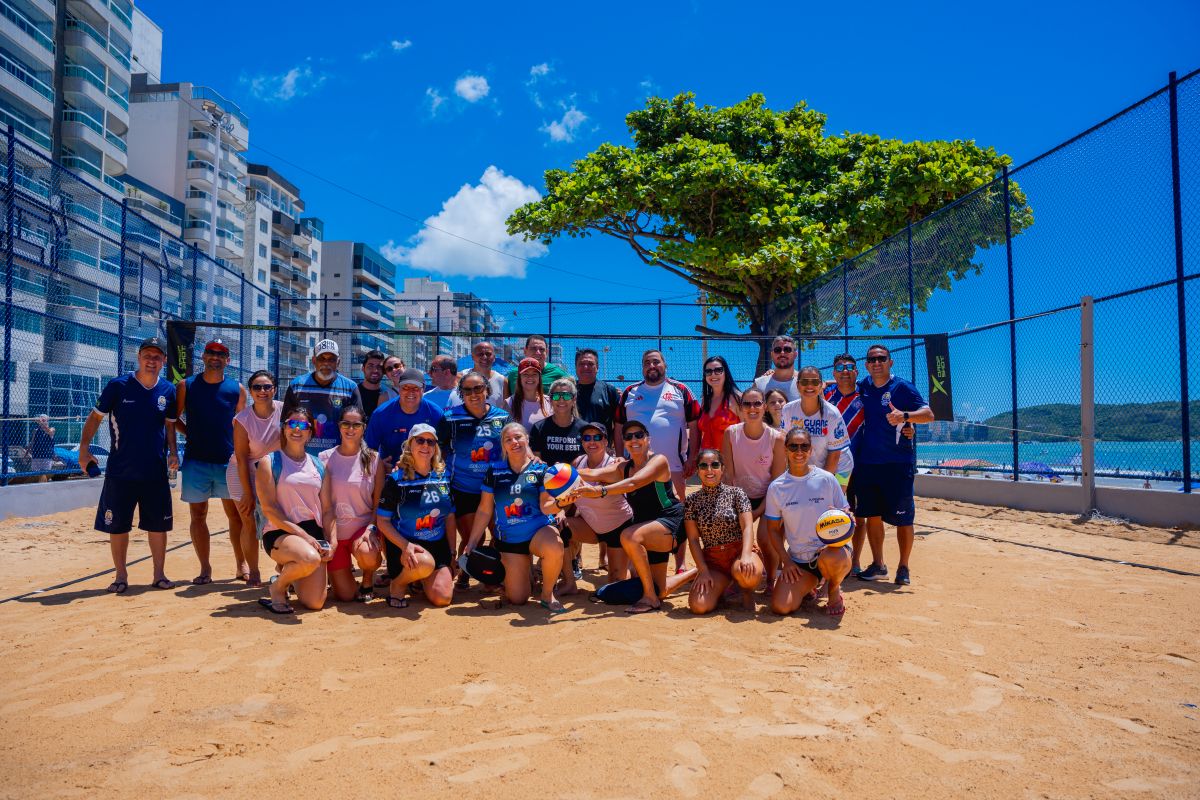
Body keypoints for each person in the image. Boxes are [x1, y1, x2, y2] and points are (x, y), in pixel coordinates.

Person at [78, 337, 178, 594]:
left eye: (157, 357)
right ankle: (120, 575)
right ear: (139, 357)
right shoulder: (118, 386)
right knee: (118, 525)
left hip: (154, 472)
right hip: (120, 471)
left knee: (158, 526)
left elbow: (169, 426)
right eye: (147, 355)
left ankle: (159, 574)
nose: (152, 360)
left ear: (164, 360)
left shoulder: (168, 390)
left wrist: (173, 453)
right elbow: (95, 418)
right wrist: (84, 449)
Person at [576, 418, 687, 614]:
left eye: (639, 435)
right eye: (628, 436)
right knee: (661, 589)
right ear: (624, 442)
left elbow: (634, 483)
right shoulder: (624, 467)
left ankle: (649, 599)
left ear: (648, 439)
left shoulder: (658, 460)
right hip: (647, 528)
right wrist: (557, 471)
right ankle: (697, 572)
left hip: (670, 523)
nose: (634, 439)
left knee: (628, 536)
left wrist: (601, 491)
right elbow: (592, 473)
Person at [463, 423, 567, 614]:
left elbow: (546, 507)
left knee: (554, 546)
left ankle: (547, 594)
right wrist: (472, 541)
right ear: (503, 446)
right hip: (510, 540)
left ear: (527, 439)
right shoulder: (494, 471)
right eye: (508, 439)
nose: (514, 442)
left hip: (538, 531)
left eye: (518, 437)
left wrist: (560, 503)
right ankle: (524, 570)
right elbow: (485, 510)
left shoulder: (540, 469)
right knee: (518, 599)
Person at [854, 344, 933, 586]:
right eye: (872, 359)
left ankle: (903, 567)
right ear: (866, 365)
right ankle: (879, 565)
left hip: (898, 464)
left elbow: (928, 414)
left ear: (890, 362)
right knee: (872, 517)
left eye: (881, 358)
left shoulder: (903, 387)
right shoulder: (863, 387)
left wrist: (905, 417)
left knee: (904, 519)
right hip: (868, 463)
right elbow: (837, 383)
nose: (877, 363)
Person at [614, 349, 700, 572]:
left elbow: (694, 425)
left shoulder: (681, 390)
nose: (651, 366)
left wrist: (692, 457)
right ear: (642, 367)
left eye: (656, 361)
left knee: (677, 513)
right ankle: (638, 560)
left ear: (665, 365)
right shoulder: (630, 392)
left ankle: (680, 565)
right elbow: (618, 426)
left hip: (673, 467)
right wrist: (619, 455)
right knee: (637, 513)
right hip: (637, 469)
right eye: (646, 363)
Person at [175, 338, 246, 586]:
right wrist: (189, 434)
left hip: (228, 462)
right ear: (203, 357)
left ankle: (241, 564)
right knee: (198, 515)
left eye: (221, 353)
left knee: (235, 516)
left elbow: (242, 426)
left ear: (228, 360)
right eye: (211, 352)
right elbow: (173, 419)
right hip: (197, 461)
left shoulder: (237, 389)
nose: (215, 357)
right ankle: (205, 569)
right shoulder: (187, 385)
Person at [764, 427, 853, 617]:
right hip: (800, 560)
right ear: (785, 450)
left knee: (832, 557)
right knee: (781, 607)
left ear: (811, 450)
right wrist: (786, 562)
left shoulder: (827, 479)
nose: (799, 452)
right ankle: (811, 584)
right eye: (793, 447)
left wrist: (847, 519)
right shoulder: (777, 488)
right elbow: (772, 530)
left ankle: (833, 588)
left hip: (831, 551)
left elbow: (845, 514)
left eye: (804, 447)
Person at [437, 371, 512, 584]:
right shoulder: (450, 417)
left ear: (487, 390)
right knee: (474, 538)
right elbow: (438, 450)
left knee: (500, 537)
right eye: (467, 390)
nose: (473, 393)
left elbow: (514, 447)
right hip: (463, 488)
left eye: (478, 388)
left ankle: (493, 574)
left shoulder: (502, 417)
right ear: (461, 394)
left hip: (496, 488)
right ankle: (464, 573)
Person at [255, 406, 332, 613]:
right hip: (281, 531)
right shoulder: (269, 462)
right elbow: (270, 510)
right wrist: (303, 537)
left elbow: (327, 510)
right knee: (309, 558)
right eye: (292, 424)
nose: (297, 430)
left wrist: (332, 541)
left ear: (310, 432)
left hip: (312, 534)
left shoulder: (318, 465)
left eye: (303, 425)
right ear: (284, 428)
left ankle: (288, 569)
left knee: (315, 603)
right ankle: (277, 588)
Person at [375, 424, 457, 609]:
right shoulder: (396, 480)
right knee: (424, 562)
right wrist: (406, 546)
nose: (425, 445)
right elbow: (383, 521)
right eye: (420, 440)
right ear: (409, 445)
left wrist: (452, 552)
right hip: (405, 547)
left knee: (443, 598)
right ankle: (398, 583)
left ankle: (418, 579)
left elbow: (450, 517)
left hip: (437, 545)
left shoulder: (444, 477)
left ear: (436, 447)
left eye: (430, 442)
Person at [684, 449, 763, 613]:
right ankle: (721, 588)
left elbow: (748, 526)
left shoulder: (737, 493)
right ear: (698, 471)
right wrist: (703, 570)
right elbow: (692, 539)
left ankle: (746, 592)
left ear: (722, 468)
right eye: (704, 466)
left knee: (749, 572)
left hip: (739, 552)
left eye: (714, 465)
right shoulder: (691, 501)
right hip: (714, 561)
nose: (709, 470)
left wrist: (746, 555)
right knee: (699, 606)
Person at [319, 405, 384, 603]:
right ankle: (337, 575)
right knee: (345, 595)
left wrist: (371, 529)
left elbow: (377, 503)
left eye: (356, 424)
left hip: (361, 530)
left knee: (368, 553)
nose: (351, 428)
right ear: (339, 426)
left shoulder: (373, 459)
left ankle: (366, 579)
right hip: (335, 534)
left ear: (364, 428)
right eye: (346, 423)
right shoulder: (324, 459)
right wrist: (330, 538)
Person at [721, 386, 786, 579]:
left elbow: (776, 483)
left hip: (768, 498)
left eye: (757, 403)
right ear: (740, 408)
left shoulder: (777, 438)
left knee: (766, 539)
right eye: (747, 404)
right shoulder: (731, 434)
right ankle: (734, 577)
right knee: (732, 536)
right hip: (740, 499)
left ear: (764, 407)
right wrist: (742, 512)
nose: (752, 408)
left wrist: (758, 511)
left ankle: (771, 579)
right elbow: (728, 477)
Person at [227, 369, 283, 587]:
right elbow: (241, 458)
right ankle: (254, 571)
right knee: (248, 520)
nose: (262, 391)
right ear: (250, 391)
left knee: (279, 517)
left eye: (267, 386)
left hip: (271, 471)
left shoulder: (283, 410)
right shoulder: (242, 419)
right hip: (243, 471)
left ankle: (283, 567)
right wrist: (248, 493)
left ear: (274, 389)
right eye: (257, 387)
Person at [530, 377, 588, 584]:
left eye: (566, 395)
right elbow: (536, 462)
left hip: (576, 489)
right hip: (548, 489)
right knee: (551, 522)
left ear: (573, 399)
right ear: (550, 399)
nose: (561, 400)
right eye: (556, 395)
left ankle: (573, 559)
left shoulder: (583, 429)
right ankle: (547, 561)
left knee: (571, 520)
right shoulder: (539, 428)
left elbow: (588, 464)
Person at [561, 420, 633, 585]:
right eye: (586, 437)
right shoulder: (577, 462)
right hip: (592, 528)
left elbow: (596, 478)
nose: (591, 441)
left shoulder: (616, 464)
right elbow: (567, 499)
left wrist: (563, 472)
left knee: (616, 584)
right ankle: (569, 581)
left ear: (606, 442)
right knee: (558, 527)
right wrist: (560, 512)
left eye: (597, 437)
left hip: (619, 529)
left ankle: (633, 565)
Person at [823, 354, 867, 577]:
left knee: (859, 516)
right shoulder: (826, 395)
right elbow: (803, 383)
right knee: (832, 512)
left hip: (861, 464)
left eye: (850, 367)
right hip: (834, 465)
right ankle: (830, 556)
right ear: (834, 372)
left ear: (857, 371)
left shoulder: (866, 395)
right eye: (840, 367)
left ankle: (855, 561)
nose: (845, 371)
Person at [283, 339, 363, 455]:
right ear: (314, 361)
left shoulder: (350, 388)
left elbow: (358, 427)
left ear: (338, 362)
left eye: (332, 359)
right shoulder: (297, 385)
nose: (326, 363)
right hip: (302, 457)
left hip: (337, 457)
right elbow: (284, 425)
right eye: (322, 359)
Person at [780, 365, 851, 478]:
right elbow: (785, 448)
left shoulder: (832, 413)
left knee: (828, 494)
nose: (809, 385)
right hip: (809, 466)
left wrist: (821, 482)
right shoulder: (788, 410)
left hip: (840, 467)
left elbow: (834, 454)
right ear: (797, 385)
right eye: (804, 382)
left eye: (814, 382)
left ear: (820, 385)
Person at [365, 368, 442, 464]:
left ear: (423, 390)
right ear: (399, 388)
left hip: (424, 470)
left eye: (415, 388)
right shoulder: (381, 414)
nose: (410, 392)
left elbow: (443, 448)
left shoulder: (435, 413)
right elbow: (369, 448)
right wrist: (380, 465)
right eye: (406, 387)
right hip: (390, 472)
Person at [698, 355, 742, 450]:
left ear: (725, 373)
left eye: (718, 370)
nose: (713, 374)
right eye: (708, 371)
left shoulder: (737, 398)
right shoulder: (705, 400)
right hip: (707, 461)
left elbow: (748, 429)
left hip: (731, 459)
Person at [574, 348, 620, 432]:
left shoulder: (609, 391)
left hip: (601, 443)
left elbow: (618, 425)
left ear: (597, 367)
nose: (586, 367)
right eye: (581, 364)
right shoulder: (568, 391)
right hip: (573, 444)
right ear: (575, 367)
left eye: (590, 364)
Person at [450, 341, 507, 406]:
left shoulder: (502, 381)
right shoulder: (459, 377)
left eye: (488, 354)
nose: (484, 357)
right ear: (472, 357)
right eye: (480, 354)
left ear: (494, 358)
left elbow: (507, 409)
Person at [752, 335, 801, 401]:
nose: (782, 353)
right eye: (777, 350)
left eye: (787, 350)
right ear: (772, 355)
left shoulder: (805, 383)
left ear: (795, 355)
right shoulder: (759, 384)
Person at [512, 358, 552, 430]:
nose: (530, 377)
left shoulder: (550, 402)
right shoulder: (509, 403)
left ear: (539, 378)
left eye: (534, 374)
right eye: (525, 374)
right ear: (520, 378)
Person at [357, 349, 396, 420]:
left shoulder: (388, 394)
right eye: (370, 366)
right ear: (363, 369)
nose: (375, 370)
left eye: (379, 367)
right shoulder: (354, 392)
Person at [25, 414, 55, 482]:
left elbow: (50, 432)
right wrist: (27, 454)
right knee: (36, 476)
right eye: (41, 420)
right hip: (36, 456)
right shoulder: (36, 430)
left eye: (44, 420)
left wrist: (42, 423)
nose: (42, 422)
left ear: (47, 421)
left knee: (44, 475)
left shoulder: (51, 429)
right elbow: (32, 442)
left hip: (46, 457)